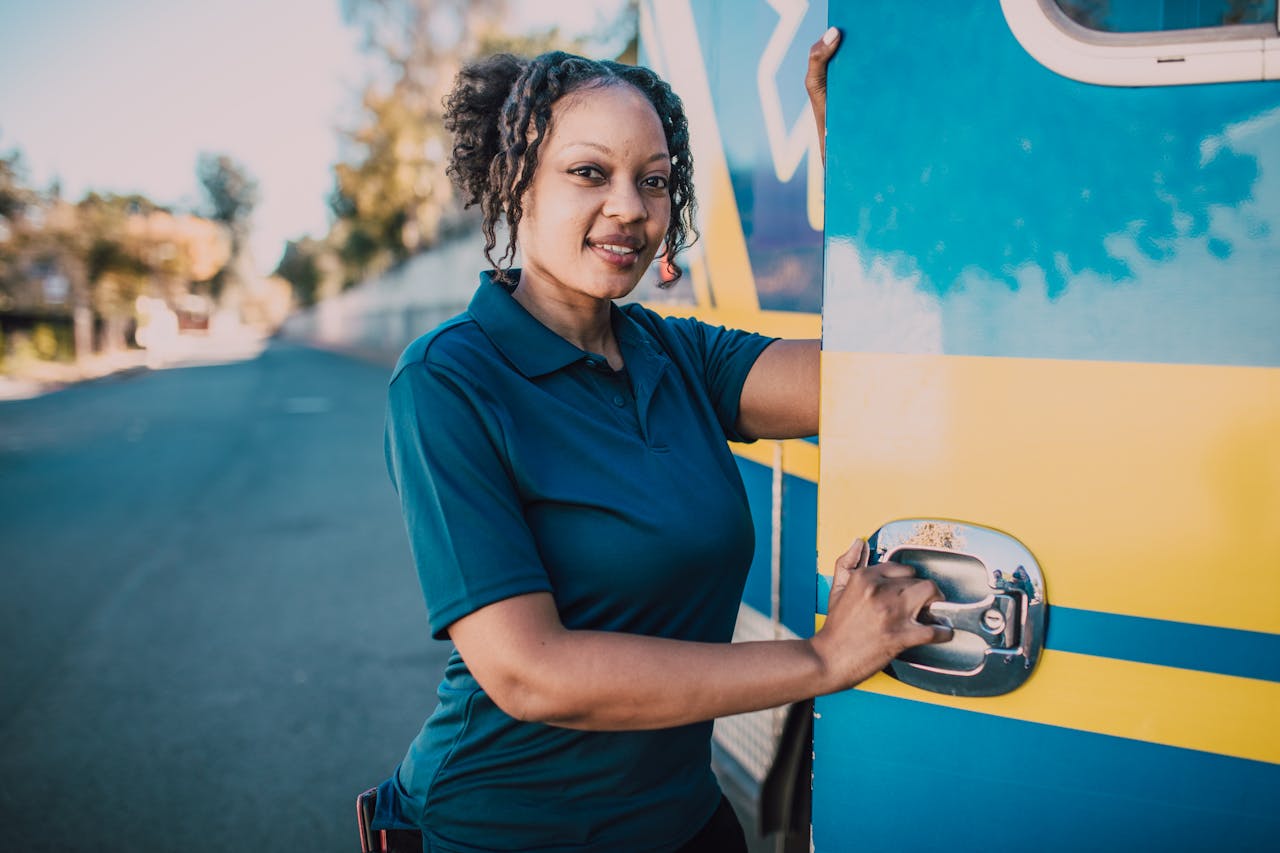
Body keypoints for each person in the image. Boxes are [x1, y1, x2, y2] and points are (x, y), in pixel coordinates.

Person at [376, 29, 951, 852]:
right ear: (516, 188)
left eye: (653, 181)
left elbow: (890, 370)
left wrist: (849, 153)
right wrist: (825, 660)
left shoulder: (676, 352)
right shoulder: (447, 379)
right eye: (588, 173)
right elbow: (528, 671)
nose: (629, 208)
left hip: (682, 820)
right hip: (502, 829)